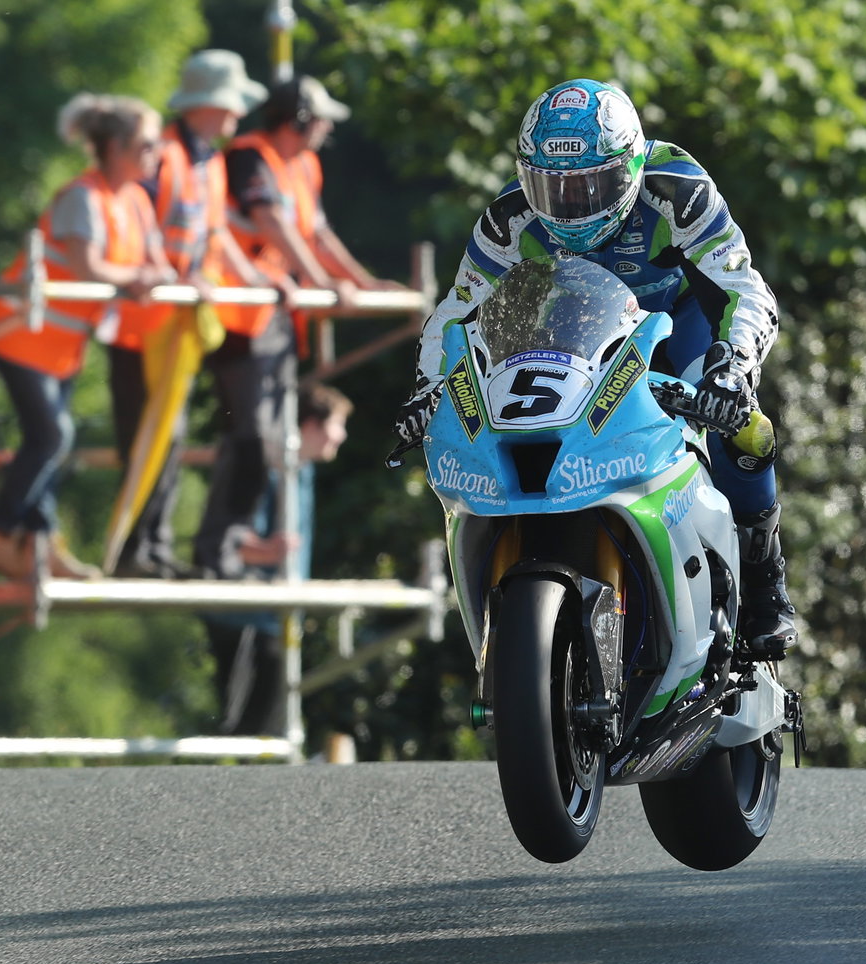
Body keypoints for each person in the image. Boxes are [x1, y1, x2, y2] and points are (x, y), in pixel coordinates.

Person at [389, 78, 797, 656]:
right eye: (551, 189)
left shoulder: (677, 188)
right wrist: (428, 390)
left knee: (747, 431)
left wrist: (732, 373)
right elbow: (454, 313)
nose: (570, 208)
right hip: (575, 329)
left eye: (590, 187)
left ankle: (764, 585)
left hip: (677, 322)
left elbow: (744, 287)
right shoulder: (509, 219)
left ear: (629, 168)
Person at [194, 74, 409, 579]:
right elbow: (272, 223)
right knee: (249, 436)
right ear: (301, 120)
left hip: (271, 314)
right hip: (239, 315)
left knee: (263, 437)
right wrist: (321, 283)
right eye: (322, 118)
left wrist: (361, 282)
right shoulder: (251, 155)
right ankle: (220, 547)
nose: (328, 128)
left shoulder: (303, 166)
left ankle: (230, 543)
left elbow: (316, 233)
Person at [0, 93, 177, 581]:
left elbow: (153, 262)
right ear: (119, 147)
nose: (157, 155)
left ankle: (40, 545)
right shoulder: (82, 196)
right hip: (22, 331)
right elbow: (88, 265)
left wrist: (163, 276)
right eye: (148, 145)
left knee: (53, 442)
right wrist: (135, 280)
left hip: (60, 344)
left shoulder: (135, 202)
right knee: (51, 436)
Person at [107, 50, 271, 579]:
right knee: (146, 440)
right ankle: (131, 551)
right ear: (211, 104)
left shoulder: (207, 160)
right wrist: (176, 279)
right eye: (231, 105)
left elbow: (214, 235)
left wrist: (256, 280)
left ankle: (150, 548)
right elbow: (138, 224)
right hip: (141, 327)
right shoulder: (166, 156)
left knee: (169, 440)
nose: (237, 117)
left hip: (171, 328)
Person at [203, 381, 353, 736]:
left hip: (274, 612)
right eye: (337, 424)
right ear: (311, 425)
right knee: (239, 720)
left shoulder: (303, 470)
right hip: (244, 611)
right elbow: (229, 540)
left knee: (267, 720)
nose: (342, 436)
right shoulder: (268, 465)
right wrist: (269, 550)